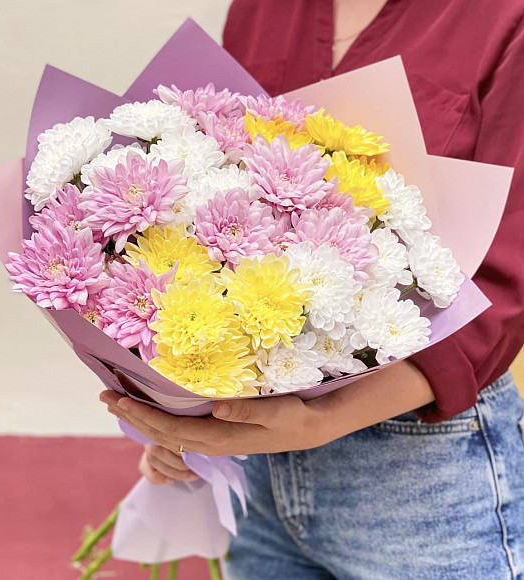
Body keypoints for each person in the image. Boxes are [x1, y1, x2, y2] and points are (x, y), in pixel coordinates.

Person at [100, 1, 524, 577]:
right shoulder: (263, 9)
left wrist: (322, 420)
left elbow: (506, 282)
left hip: (422, 473)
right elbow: (218, 185)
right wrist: (182, 410)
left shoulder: (504, 19)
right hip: (256, 475)